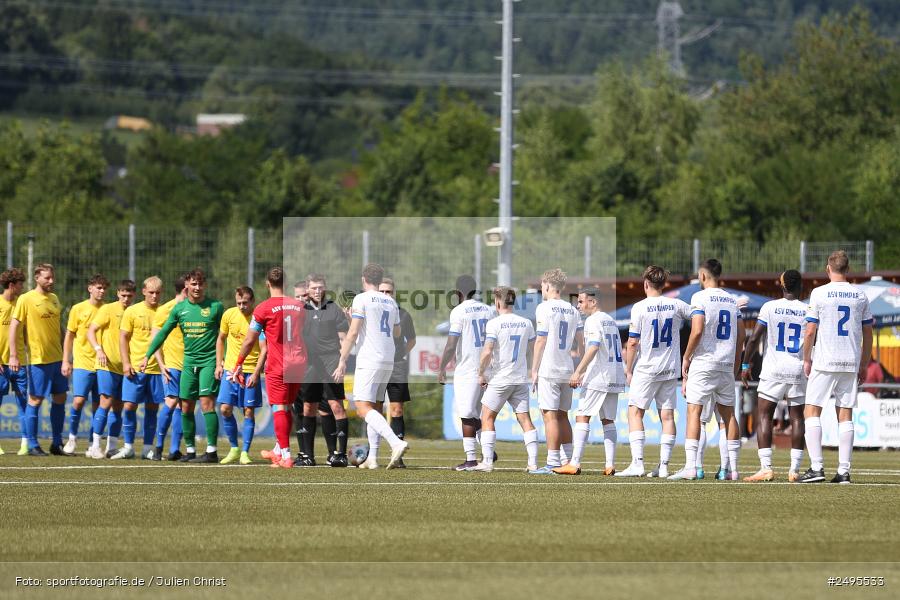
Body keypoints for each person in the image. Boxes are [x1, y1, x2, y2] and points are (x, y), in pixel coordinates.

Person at [799, 250, 874, 484]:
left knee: (811, 411)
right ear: (848, 270)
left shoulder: (819, 293)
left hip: (824, 359)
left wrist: (806, 358)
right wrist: (864, 363)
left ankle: (816, 468)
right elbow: (868, 333)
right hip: (850, 360)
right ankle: (843, 471)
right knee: (845, 414)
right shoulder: (860, 295)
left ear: (828, 269)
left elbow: (810, 330)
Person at [669, 259, 744, 481]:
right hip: (725, 364)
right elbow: (741, 335)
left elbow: (697, 329)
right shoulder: (732, 300)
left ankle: (692, 467)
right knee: (728, 416)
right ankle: (731, 469)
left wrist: (686, 356)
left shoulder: (699, 297)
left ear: (702, 276)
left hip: (704, 362)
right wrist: (736, 363)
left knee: (694, 412)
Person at [616, 266, 692, 478]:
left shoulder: (639, 307)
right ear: (663, 284)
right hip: (669, 368)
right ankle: (664, 466)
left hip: (647, 368)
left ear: (646, 284)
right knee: (667, 416)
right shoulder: (676, 304)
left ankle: (638, 463)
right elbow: (698, 314)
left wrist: (628, 369)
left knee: (635, 412)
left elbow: (632, 342)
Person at [142, 268, 224, 463]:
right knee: (185, 406)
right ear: (186, 284)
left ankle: (211, 451)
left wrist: (222, 362)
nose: (197, 287)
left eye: (200, 284)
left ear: (205, 285)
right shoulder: (179, 309)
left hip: (209, 361)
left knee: (206, 403)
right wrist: (147, 355)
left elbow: (223, 336)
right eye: (193, 284)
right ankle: (190, 451)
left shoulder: (216, 306)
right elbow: (162, 333)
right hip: (188, 363)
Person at [332, 263, 409, 469]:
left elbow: (354, 333)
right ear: (379, 279)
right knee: (375, 406)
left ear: (363, 279)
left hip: (370, 359)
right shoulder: (391, 302)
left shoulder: (361, 298)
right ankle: (372, 458)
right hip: (387, 359)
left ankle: (395, 442)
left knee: (362, 408)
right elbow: (398, 333)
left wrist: (342, 359)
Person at [230, 266, 307, 469]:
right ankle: (279, 450)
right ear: (286, 283)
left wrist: (238, 363)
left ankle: (286, 456)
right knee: (287, 406)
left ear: (267, 284)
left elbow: (249, 340)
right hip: (299, 362)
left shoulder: (263, 308)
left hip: (278, 364)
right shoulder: (299, 306)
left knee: (279, 408)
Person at [741, 270, 808, 482]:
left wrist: (745, 363)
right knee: (797, 418)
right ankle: (794, 470)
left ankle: (766, 468)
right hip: (797, 369)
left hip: (773, 369)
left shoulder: (770, 307)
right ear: (800, 287)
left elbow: (754, 339)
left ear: (782, 286)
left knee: (764, 417)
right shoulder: (808, 309)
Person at [467, 286, 539, 472]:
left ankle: (488, 462)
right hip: (520, 378)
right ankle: (532, 463)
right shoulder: (526, 323)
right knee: (525, 419)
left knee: (487, 416)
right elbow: (533, 349)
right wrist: (533, 370)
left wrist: (481, 372)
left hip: (500, 378)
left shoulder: (494, 323)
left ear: (498, 302)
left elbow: (488, 351)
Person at [554, 287, 625, 475]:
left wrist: (578, 371)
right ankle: (610, 464)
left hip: (599, 378)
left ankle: (574, 463)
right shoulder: (610, 320)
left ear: (593, 302)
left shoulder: (593, 321)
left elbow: (594, 347)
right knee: (608, 420)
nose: (578, 305)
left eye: (581, 301)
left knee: (582, 416)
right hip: (615, 375)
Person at [8, 264, 69, 456]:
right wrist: (13, 355)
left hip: (58, 359)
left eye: (52, 277)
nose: (51, 281)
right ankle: (33, 444)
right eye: (47, 278)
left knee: (60, 397)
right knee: (35, 400)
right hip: (38, 360)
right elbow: (14, 327)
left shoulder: (54, 298)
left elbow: (58, 328)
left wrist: (67, 356)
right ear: (37, 278)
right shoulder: (26, 299)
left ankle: (56, 443)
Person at [439, 275, 497, 470]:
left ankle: (471, 459)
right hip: (487, 369)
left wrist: (442, 367)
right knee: (478, 414)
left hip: (468, 369)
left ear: (458, 293)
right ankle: (488, 451)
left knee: (466, 414)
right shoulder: (489, 310)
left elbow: (451, 343)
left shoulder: (459, 311)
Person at [530, 268, 583, 474]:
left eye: (542, 285)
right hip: (567, 368)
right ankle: (569, 460)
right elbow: (581, 342)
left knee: (549, 416)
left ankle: (552, 462)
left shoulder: (544, 308)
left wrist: (534, 369)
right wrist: (579, 368)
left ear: (548, 286)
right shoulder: (573, 310)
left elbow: (541, 340)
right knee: (563, 416)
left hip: (550, 368)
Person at [296, 274, 351, 467]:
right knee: (308, 408)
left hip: (331, 361)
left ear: (325, 288)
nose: (317, 291)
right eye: (313, 288)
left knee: (336, 406)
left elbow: (344, 338)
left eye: (320, 287)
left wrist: (342, 362)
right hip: (310, 364)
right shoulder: (300, 310)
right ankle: (308, 457)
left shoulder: (334, 309)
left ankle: (341, 455)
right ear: (307, 290)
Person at [215, 286, 266, 465]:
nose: (242, 306)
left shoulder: (259, 318)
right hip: (231, 370)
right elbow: (220, 339)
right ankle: (234, 448)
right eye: (239, 303)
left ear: (252, 301)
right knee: (225, 409)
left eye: (245, 303)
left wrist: (257, 372)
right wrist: (218, 364)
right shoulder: (229, 315)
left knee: (248, 411)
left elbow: (264, 349)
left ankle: (245, 452)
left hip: (250, 370)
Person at [86, 280, 136, 459]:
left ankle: (111, 447)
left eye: (129, 296)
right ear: (117, 293)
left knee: (118, 407)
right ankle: (95, 446)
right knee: (105, 403)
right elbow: (91, 331)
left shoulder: (134, 312)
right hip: (107, 366)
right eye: (123, 295)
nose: (126, 298)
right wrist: (98, 349)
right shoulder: (108, 309)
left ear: (134, 296)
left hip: (126, 367)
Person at [116, 276, 164, 459]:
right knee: (129, 406)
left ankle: (147, 448)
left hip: (157, 370)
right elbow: (123, 338)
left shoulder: (165, 311)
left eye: (158, 293)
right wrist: (126, 363)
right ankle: (128, 446)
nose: (154, 296)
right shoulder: (132, 311)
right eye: (151, 292)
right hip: (136, 367)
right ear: (143, 292)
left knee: (152, 408)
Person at [62, 274, 108, 456]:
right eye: (98, 287)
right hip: (82, 362)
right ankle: (72, 438)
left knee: (99, 404)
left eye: (104, 288)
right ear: (90, 288)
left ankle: (93, 443)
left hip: (103, 365)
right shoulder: (78, 309)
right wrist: (66, 360)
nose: (102, 291)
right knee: (79, 401)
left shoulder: (108, 309)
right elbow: (69, 335)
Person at [378, 277, 417, 467]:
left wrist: (399, 354)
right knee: (375, 409)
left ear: (394, 293)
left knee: (397, 409)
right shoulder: (372, 312)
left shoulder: (403, 315)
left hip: (397, 367)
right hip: (376, 365)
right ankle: (372, 453)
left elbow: (411, 340)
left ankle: (398, 455)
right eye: (382, 291)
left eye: (389, 292)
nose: (386, 295)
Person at [149, 274, 187, 461]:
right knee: (171, 402)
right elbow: (155, 339)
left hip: (190, 365)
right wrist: (161, 365)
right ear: (185, 289)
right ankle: (157, 448)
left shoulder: (194, 309)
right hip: (172, 364)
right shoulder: (165, 310)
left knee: (182, 406)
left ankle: (174, 450)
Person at [0, 268, 28, 455]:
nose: (22, 287)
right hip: (1, 364)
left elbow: (27, 332)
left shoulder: (21, 304)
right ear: (12, 285)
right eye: (20, 284)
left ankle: (26, 443)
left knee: (24, 403)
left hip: (21, 363)